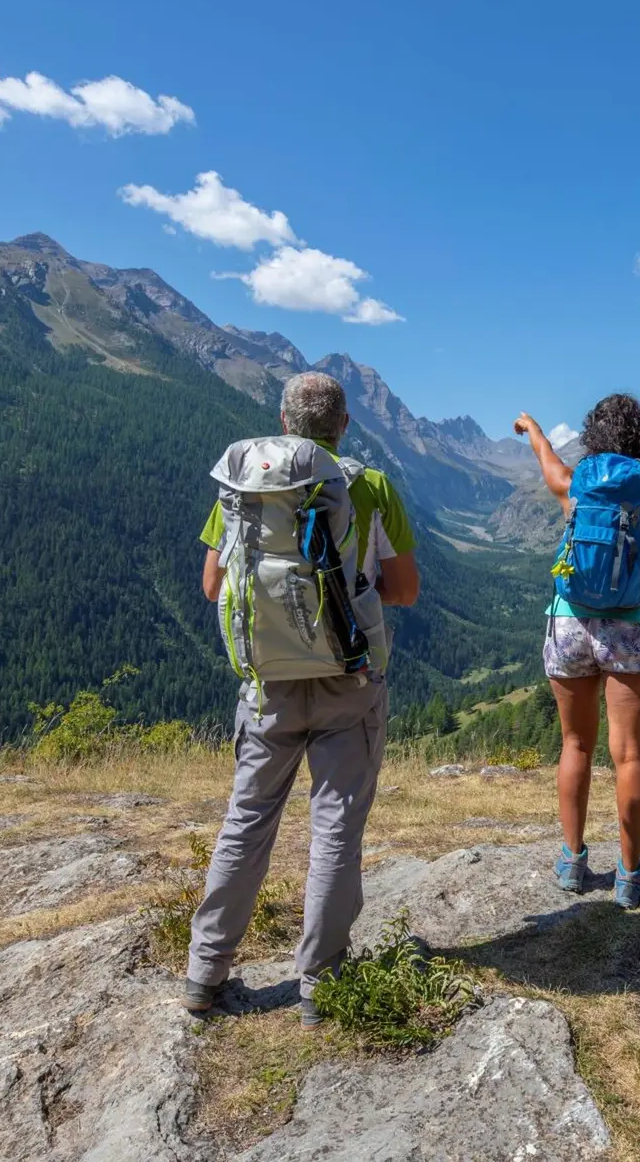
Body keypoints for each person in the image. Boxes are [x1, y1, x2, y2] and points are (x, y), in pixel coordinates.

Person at [184, 371, 420, 1026]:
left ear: (284, 425)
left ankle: (205, 973)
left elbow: (212, 584)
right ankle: (321, 979)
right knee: (335, 823)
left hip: (268, 685)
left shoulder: (244, 490)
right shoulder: (367, 488)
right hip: (350, 682)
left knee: (247, 818)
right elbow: (404, 590)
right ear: (342, 427)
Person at [514, 395, 640, 908]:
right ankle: (629, 877)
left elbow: (548, 462)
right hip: (629, 630)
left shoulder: (576, 484)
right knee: (629, 754)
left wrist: (534, 428)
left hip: (569, 622)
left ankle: (572, 861)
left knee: (575, 745)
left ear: (593, 437)